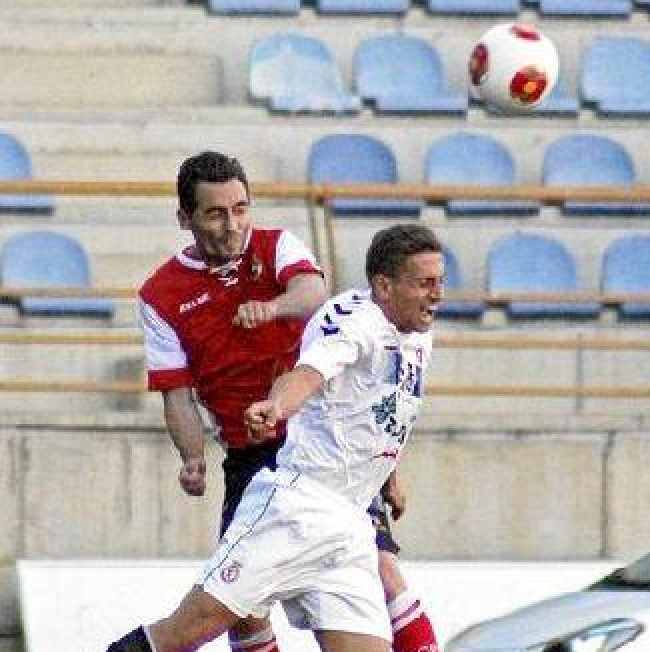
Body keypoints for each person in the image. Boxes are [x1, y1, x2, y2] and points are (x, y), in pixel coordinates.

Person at [110, 223, 445, 652]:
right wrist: (275, 407)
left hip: (350, 526)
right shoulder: (354, 323)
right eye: (425, 284)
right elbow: (305, 375)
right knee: (178, 635)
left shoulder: (418, 336)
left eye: (439, 282)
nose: (437, 294)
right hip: (298, 509)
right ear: (384, 285)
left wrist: (389, 473)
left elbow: (381, 409)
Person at [138, 150, 329, 652]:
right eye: (216, 213)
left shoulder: (277, 246)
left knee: (379, 569)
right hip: (251, 457)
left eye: (240, 209)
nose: (232, 225)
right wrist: (193, 457)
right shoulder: (161, 293)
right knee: (238, 604)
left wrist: (272, 308)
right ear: (185, 218)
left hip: (320, 444)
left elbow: (313, 293)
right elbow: (174, 390)